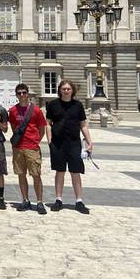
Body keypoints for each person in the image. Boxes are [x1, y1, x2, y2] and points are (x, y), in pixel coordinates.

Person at [45, 79, 93, 214]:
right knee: (59, 171)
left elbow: (83, 124)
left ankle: (79, 201)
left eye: (68, 89)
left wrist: (89, 141)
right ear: (60, 90)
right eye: (64, 89)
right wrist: (49, 140)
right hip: (58, 143)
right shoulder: (53, 105)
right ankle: (58, 199)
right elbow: (48, 123)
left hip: (74, 143)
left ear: (72, 91)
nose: (66, 91)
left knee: (75, 172)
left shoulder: (78, 105)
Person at [8, 83, 48, 215]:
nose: (22, 95)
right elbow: (14, 128)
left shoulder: (36, 110)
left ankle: (40, 202)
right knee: (21, 174)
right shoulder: (13, 110)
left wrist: (35, 140)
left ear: (28, 94)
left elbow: (42, 128)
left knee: (36, 175)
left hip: (32, 147)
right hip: (18, 147)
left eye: (24, 92)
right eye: (19, 93)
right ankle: (25, 200)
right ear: (16, 95)